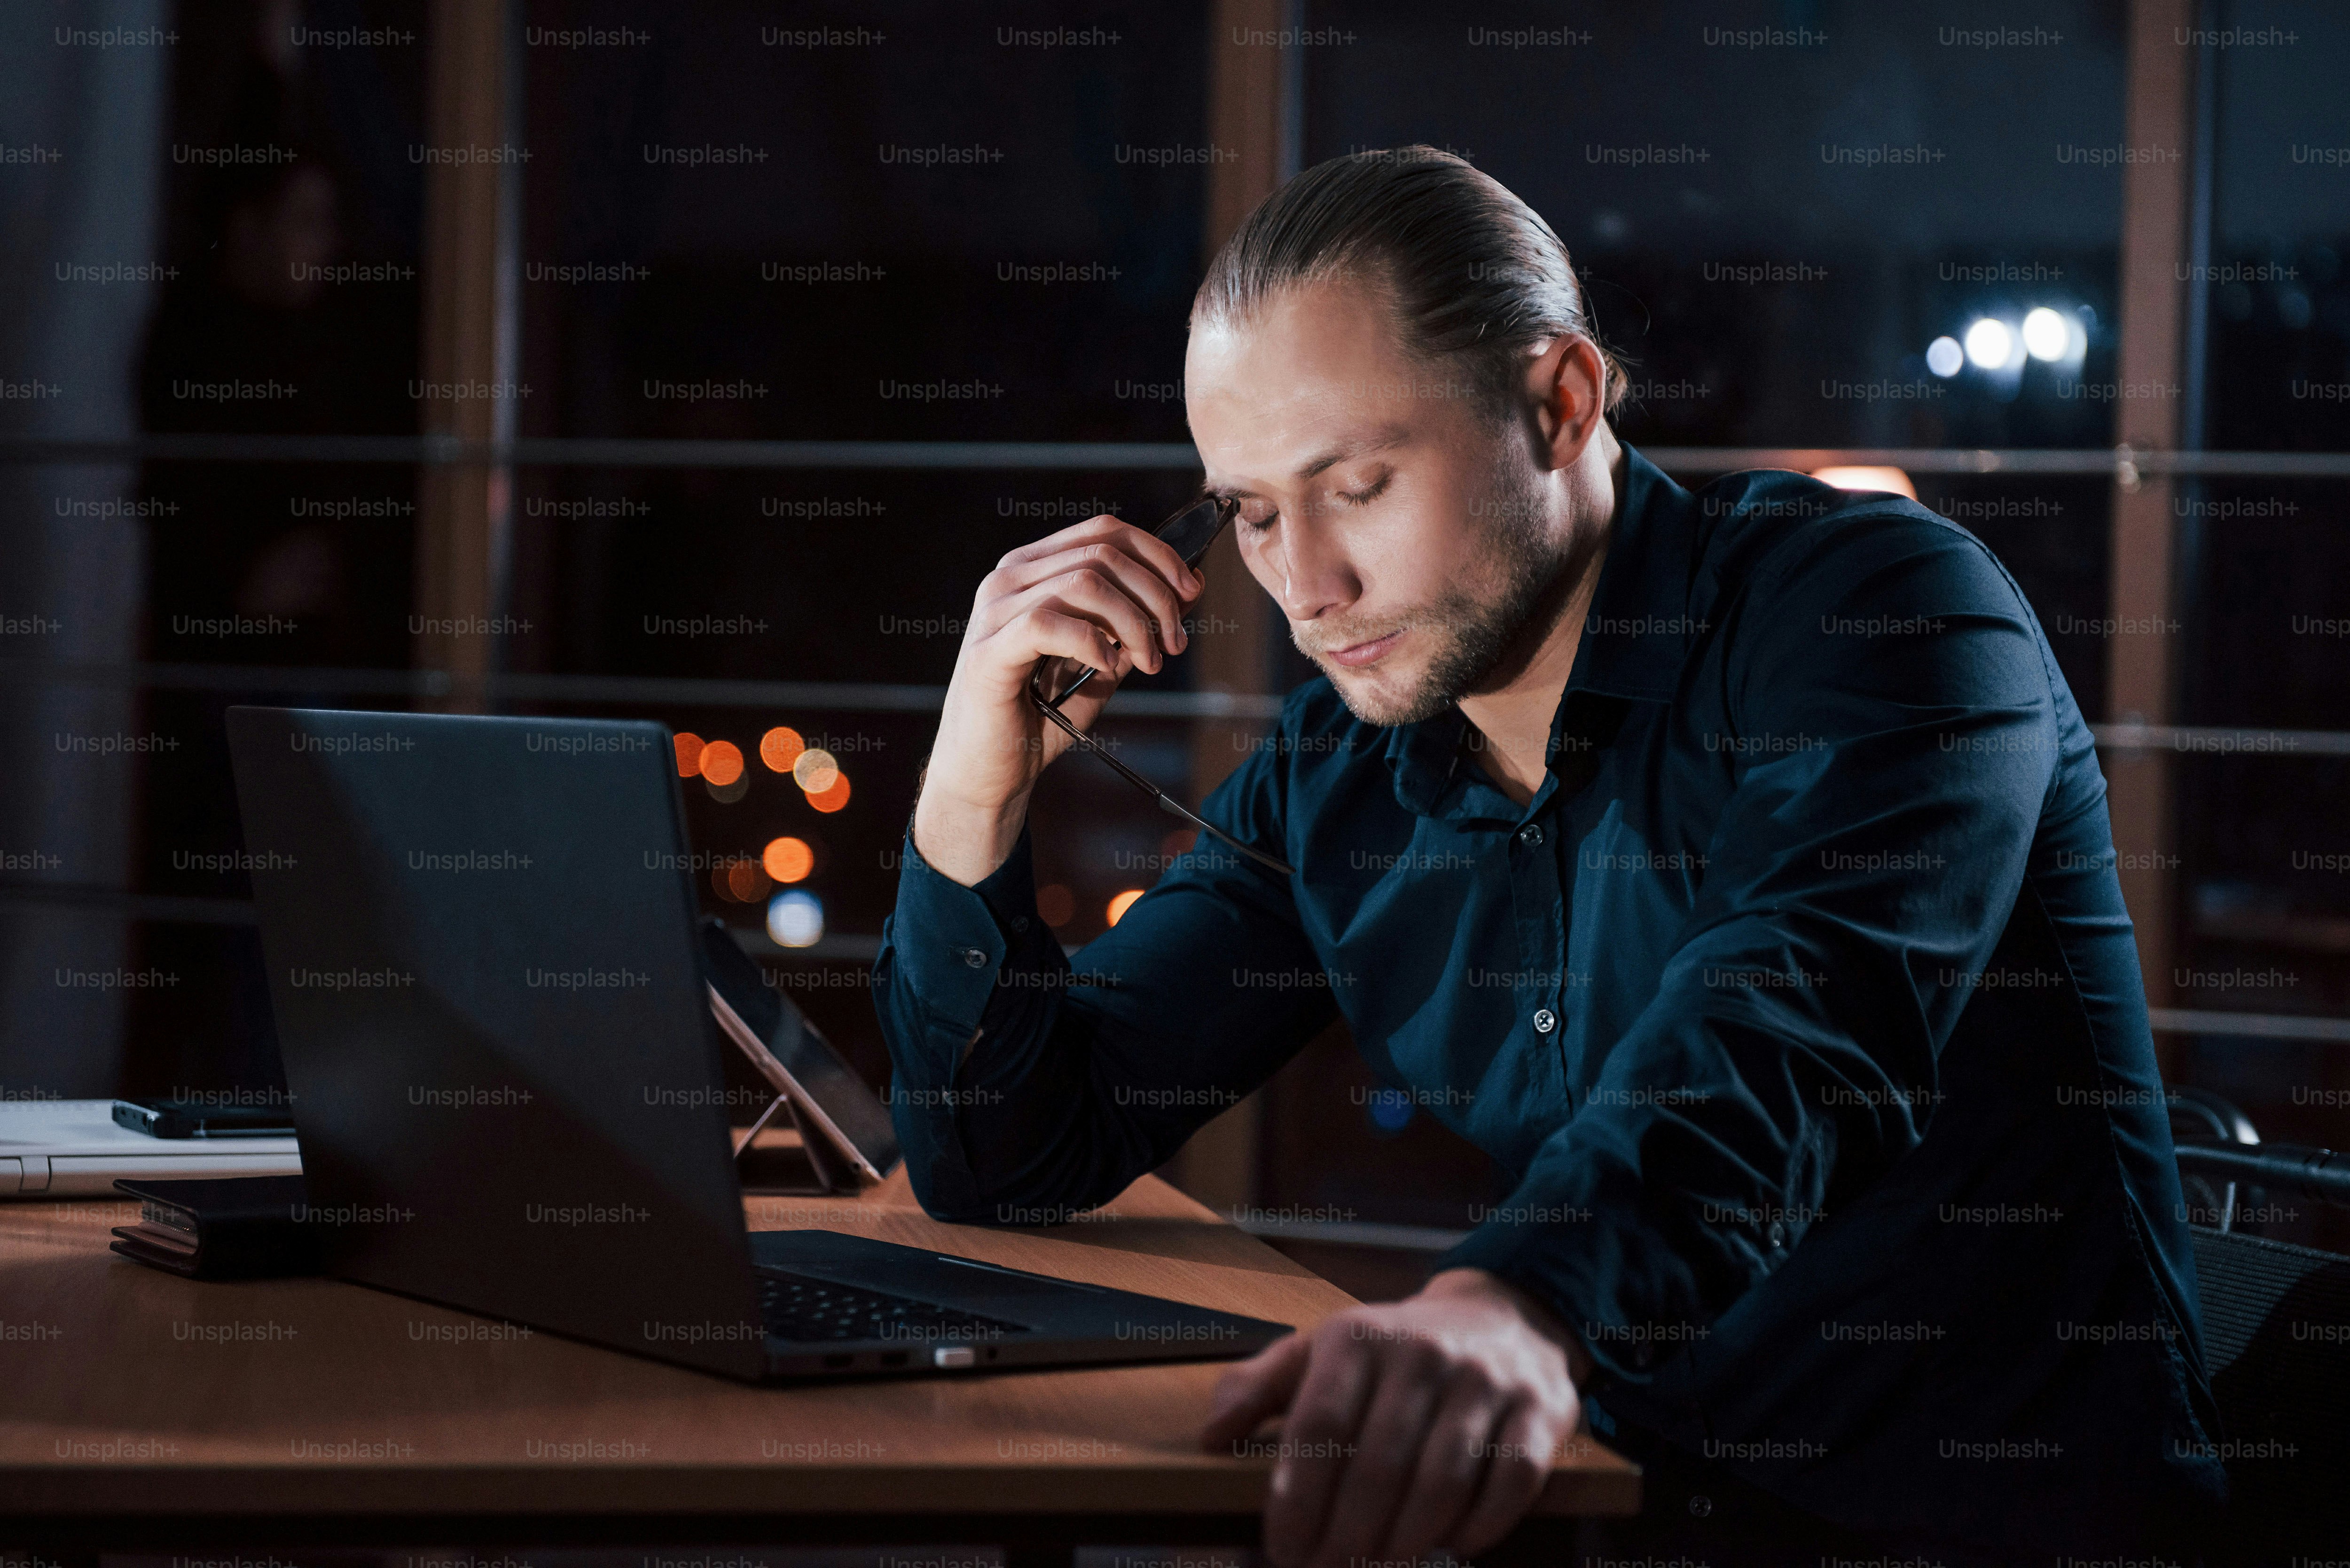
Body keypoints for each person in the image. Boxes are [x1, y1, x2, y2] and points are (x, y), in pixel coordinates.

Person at [872, 147, 2224, 1564]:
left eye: (1363, 484)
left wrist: (1515, 1302)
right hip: (1610, 1516)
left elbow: (1792, 1025)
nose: (1308, 589)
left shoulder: (1881, 617)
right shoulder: (1342, 776)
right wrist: (974, 778)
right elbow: (1007, 1157)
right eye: (1258, 514)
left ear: (1563, 402)